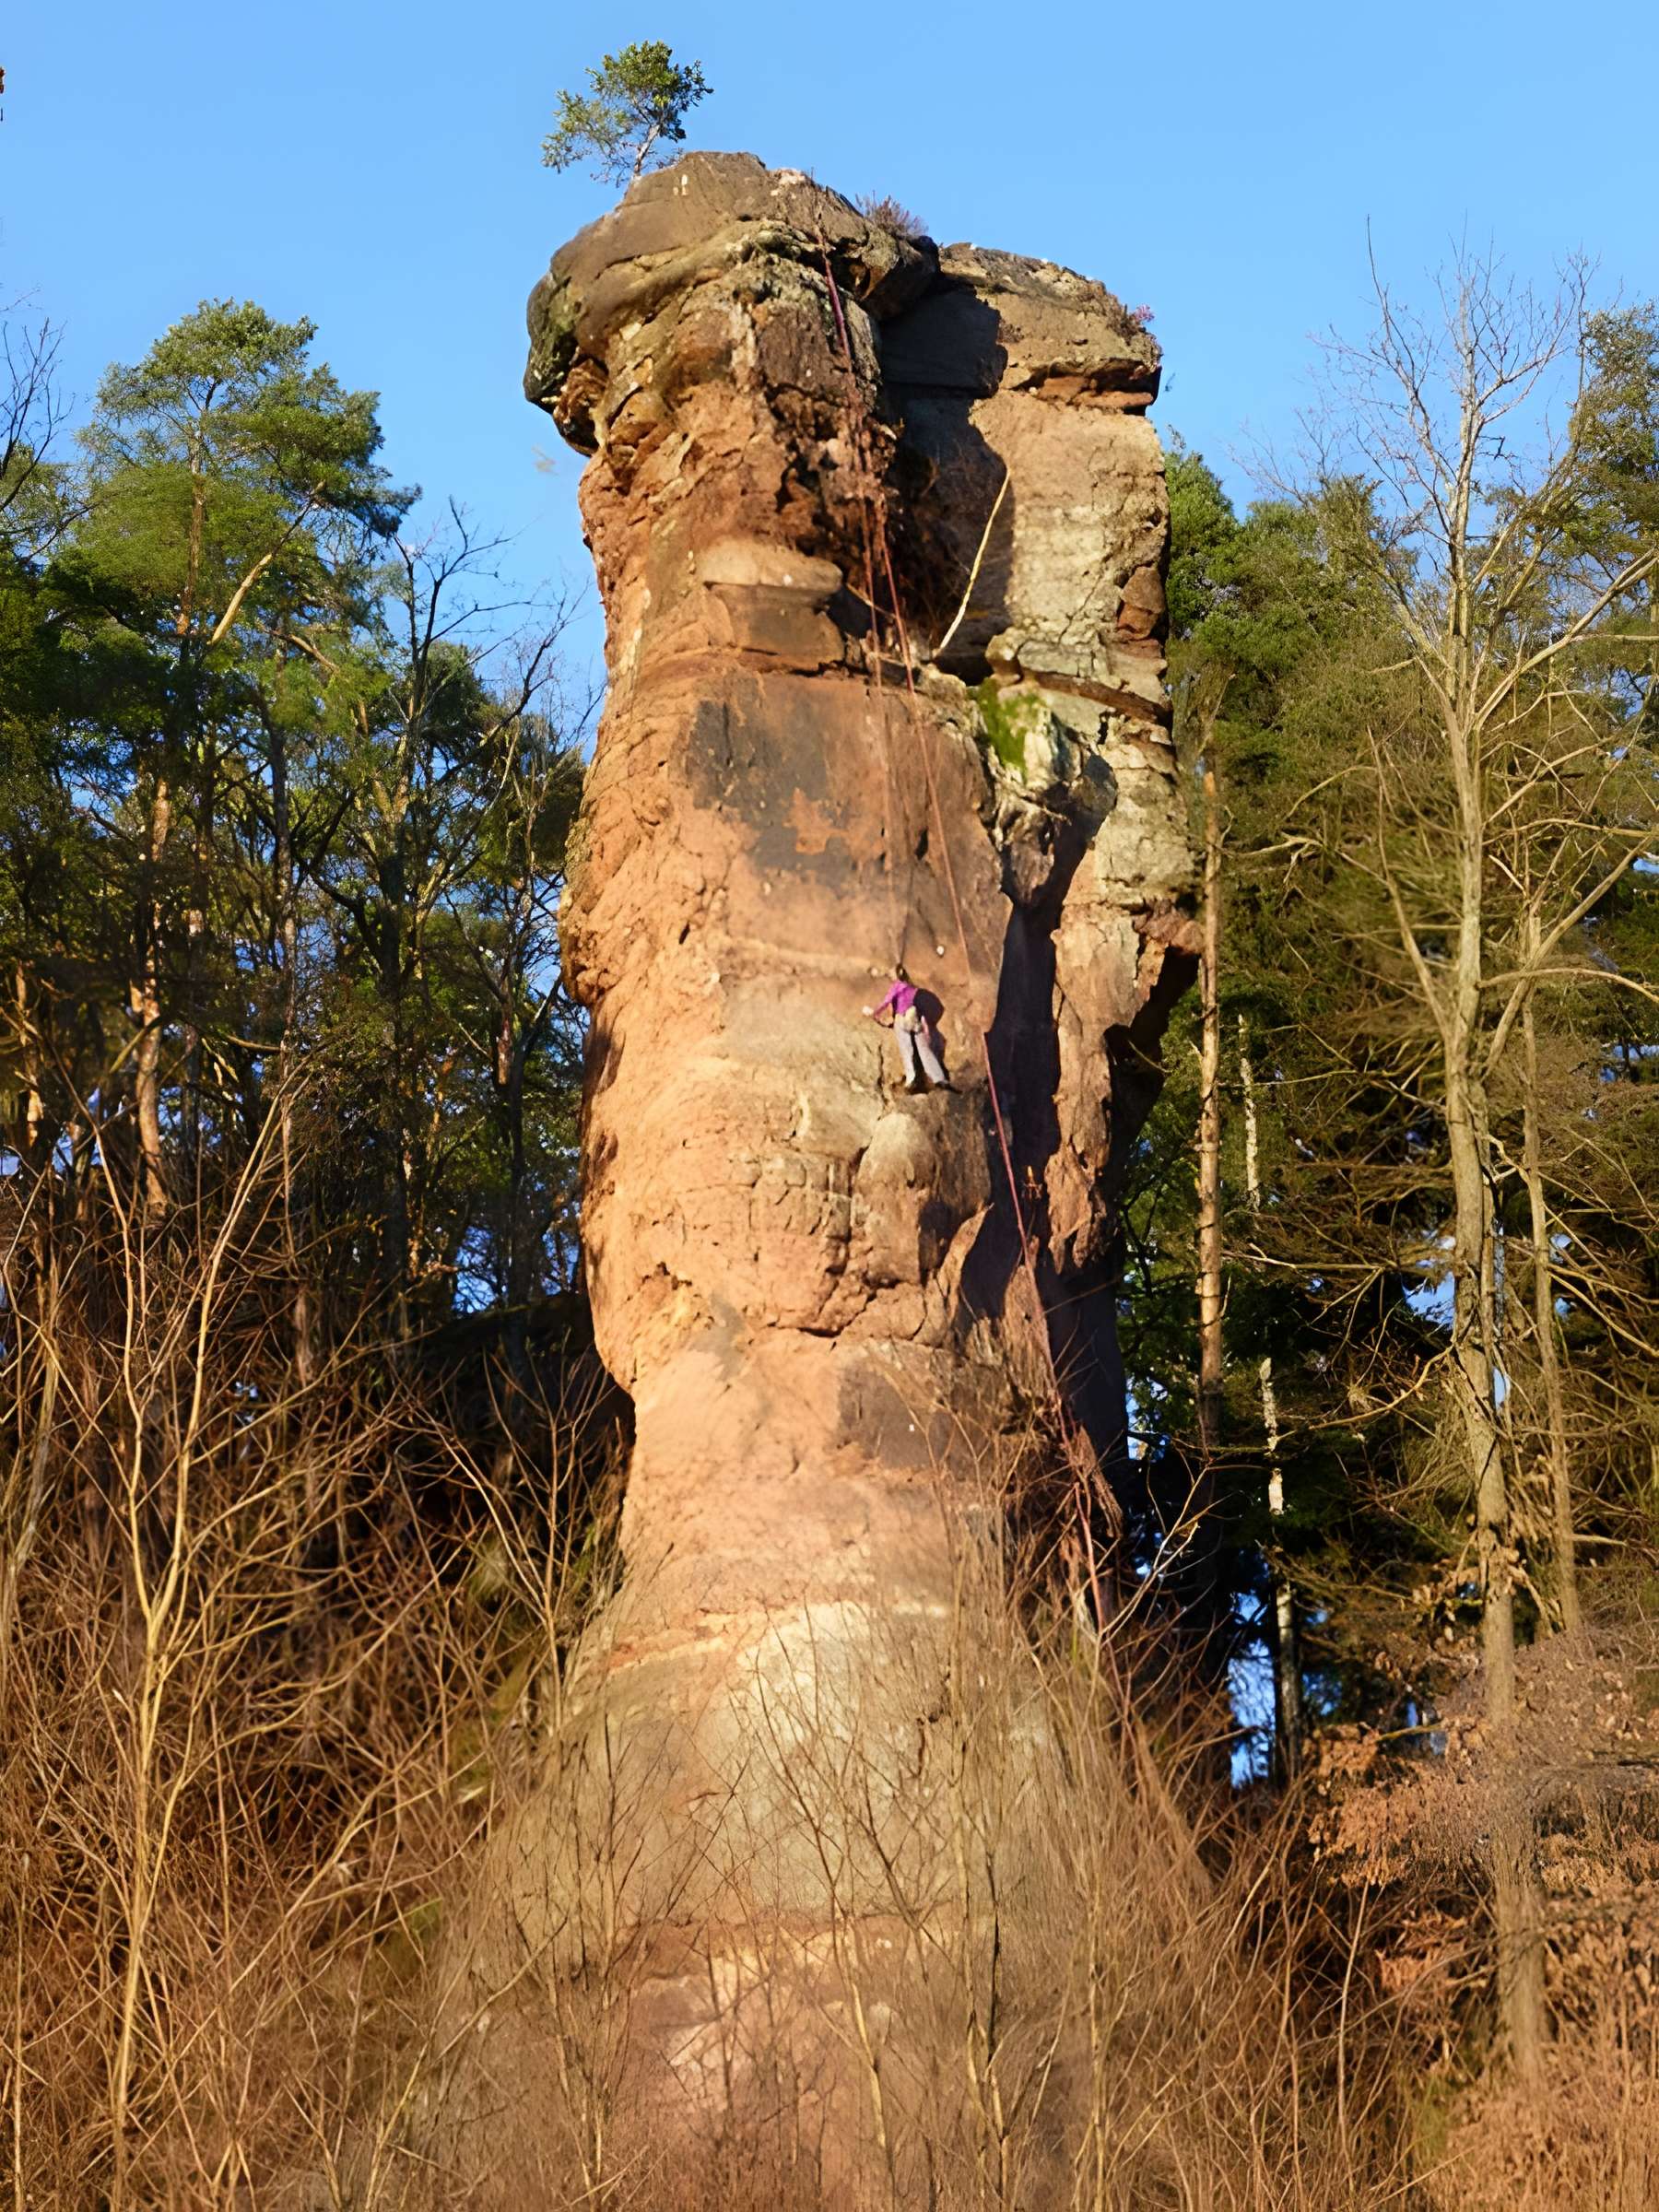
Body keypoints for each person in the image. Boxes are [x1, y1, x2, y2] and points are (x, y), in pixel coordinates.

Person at [863, 965, 950, 1093]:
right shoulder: (911, 988)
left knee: (906, 1049)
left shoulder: (897, 986)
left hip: (903, 1019)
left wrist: (873, 1012)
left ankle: (911, 1077)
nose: (890, 975)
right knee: (924, 1050)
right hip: (914, 1017)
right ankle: (939, 1078)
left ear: (899, 974)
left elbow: (886, 1002)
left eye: (892, 973)